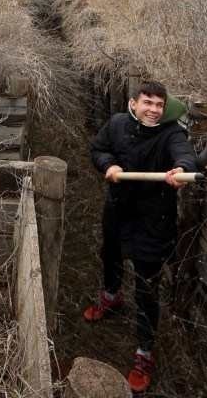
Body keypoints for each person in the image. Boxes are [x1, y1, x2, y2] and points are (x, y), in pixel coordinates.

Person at [84, 81, 197, 393]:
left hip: (153, 220)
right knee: (110, 255)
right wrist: (108, 164)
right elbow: (98, 149)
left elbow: (185, 154)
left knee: (147, 286)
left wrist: (181, 169)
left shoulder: (171, 133)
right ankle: (111, 296)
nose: (154, 110)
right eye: (148, 102)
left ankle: (144, 352)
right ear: (133, 103)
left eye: (159, 105)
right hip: (118, 211)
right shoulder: (117, 124)